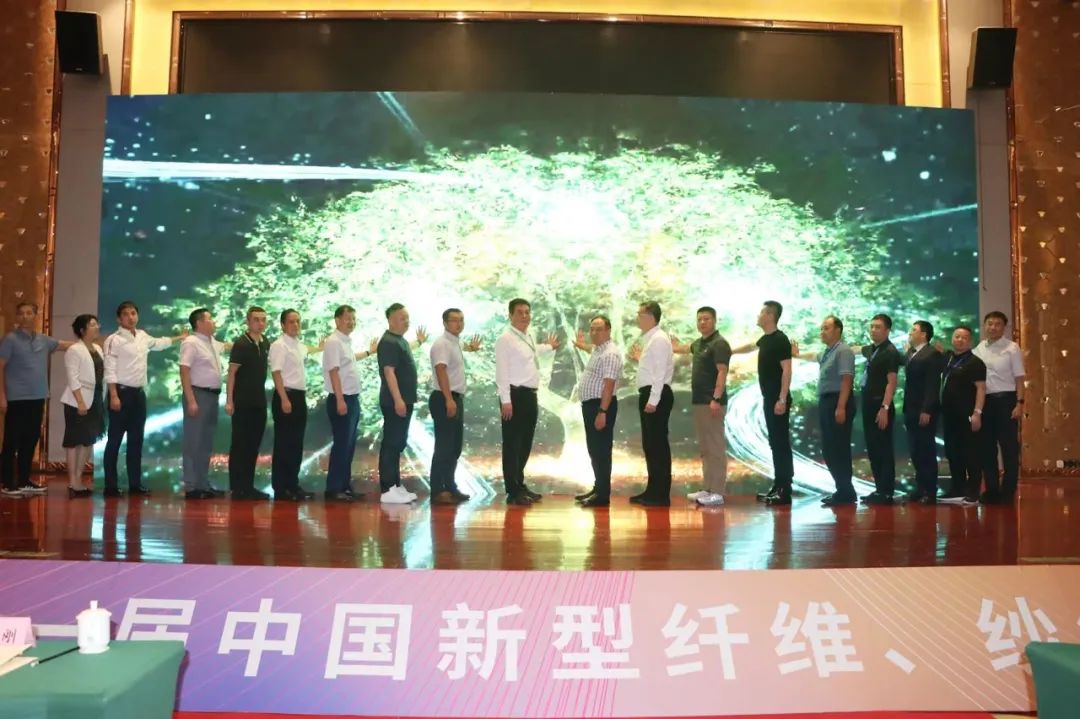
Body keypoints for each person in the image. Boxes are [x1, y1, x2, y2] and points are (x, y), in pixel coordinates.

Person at [102, 300, 185, 497]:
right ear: (119, 319)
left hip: (138, 395)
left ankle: (135, 484)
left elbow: (159, 343)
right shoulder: (114, 340)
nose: (130, 317)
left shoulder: (142, 336)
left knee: (136, 440)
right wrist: (113, 395)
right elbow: (110, 369)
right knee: (114, 440)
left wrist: (180, 338)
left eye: (133, 313)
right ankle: (110, 486)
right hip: (120, 393)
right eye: (125, 314)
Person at [494, 298, 560, 506]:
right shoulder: (505, 339)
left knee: (524, 443)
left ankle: (520, 484)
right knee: (512, 444)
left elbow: (531, 351)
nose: (524, 316)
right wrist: (506, 401)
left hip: (530, 395)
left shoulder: (527, 336)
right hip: (514, 396)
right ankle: (512, 491)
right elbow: (501, 373)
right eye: (520, 312)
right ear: (510, 315)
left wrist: (548, 347)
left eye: (527, 312)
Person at [0, 302, 70, 497]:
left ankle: (24, 481)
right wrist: (2, 396)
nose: (25, 316)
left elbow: (63, 345)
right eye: (21, 313)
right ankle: (7, 483)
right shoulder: (10, 340)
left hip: (38, 397)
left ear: (35, 315)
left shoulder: (43, 339)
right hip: (16, 398)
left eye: (29, 313)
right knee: (11, 441)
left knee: (30, 440)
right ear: (17, 316)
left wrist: (89, 345)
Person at [732, 301, 793, 506]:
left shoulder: (780, 340)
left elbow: (787, 370)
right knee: (775, 443)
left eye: (761, 312)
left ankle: (785, 489)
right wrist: (729, 351)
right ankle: (778, 485)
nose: (757, 315)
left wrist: (782, 399)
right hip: (770, 398)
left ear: (769, 315)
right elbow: (751, 346)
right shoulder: (766, 340)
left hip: (778, 399)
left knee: (781, 443)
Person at [795, 316, 856, 506]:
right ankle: (843, 490)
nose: (822, 332)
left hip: (838, 401)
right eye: (821, 328)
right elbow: (813, 356)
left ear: (838, 330)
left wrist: (841, 406)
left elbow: (847, 379)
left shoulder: (843, 351)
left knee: (838, 448)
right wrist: (797, 355)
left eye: (826, 328)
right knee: (829, 448)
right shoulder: (828, 352)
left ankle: (846, 492)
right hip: (826, 402)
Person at [676, 307, 731, 507]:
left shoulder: (720, 344)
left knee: (715, 447)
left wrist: (716, 397)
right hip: (699, 402)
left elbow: (722, 371)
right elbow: (685, 348)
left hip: (712, 402)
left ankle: (718, 492)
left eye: (706, 319)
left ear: (714, 320)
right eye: (699, 319)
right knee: (705, 448)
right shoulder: (699, 343)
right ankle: (707, 488)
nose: (702, 322)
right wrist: (673, 346)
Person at [321, 304, 377, 502]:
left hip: (352, 398)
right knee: (341, 445)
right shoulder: (333, 342)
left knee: (349, 445)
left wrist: (369, 352)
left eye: (353, 319)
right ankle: (334, 488)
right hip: (342, 398)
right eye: (347, 319)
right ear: (337, 320)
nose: (351, 322)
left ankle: (345, 486)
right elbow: (333, 371)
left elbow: (350, 360)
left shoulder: (345, 342)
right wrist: (339, 399)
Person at [268, 309, 322, 501]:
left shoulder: (298, 345)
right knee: (284, 443)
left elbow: (309, 350)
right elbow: (276, 373)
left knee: (296, 443)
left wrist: (320, 347)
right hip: (286, 395)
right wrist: (284, 398)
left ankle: (292, 484)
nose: (296, 325)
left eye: (298, 321)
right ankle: (281, 488)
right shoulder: (279, 345)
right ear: (283, 325)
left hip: (299, 397)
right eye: (291, 322)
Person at [428, 308, 481, 505]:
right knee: (444, 447)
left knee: (454, 447)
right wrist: (448, 399)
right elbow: (440, 370)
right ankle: (438, 490)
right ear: (445, 323)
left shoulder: (454, 342)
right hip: (445, 398)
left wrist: (471, 348)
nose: (459, 324)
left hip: (454, 398)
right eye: (454, 320)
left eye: (461, 320)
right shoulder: (442, 343)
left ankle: (450, 486)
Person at [377, 303, 427, 505]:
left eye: (407, 318)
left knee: (397, 443)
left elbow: (402, 356)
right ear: (390, 320)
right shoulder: (389, 342)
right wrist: (398, 399)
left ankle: (395, 486)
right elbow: (389, 372)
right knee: (391, 443)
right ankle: (388, 488)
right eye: (401, 318)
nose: (406, 321)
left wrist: (419, 342)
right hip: (394, 402)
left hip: (403, 401)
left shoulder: (399, 340)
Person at [972, 311, 1025, 504]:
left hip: (1006, 401)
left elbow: (1019, 378)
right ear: (985, 325)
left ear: (1004, 327)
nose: (993, 327)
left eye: (997, 324)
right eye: (990, 323)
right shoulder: (979, 349)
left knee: (1009, 447)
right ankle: (991, 489)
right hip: (985, 402)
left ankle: (1008, 491)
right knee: (987, 448)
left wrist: (1020, 403)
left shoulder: (1012, 348)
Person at [572, 315, 623, 508]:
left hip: (600, 406)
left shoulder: (610, 353)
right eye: (592, 329)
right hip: (592, 405)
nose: (594, 333)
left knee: (601, 450)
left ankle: (602, 495)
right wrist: (582, 345)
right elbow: (591, 348)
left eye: (599, 329)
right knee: (594, 449)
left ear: (608, 331)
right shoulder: (599, 349)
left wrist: (602, 411)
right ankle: (598, 488)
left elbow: (609, 386)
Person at [179, 307, 228, 500]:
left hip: (213, 396)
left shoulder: (212, 342)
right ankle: (191, 486)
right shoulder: (191, 342)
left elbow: (229, 346)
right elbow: (184, 371)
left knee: (206, 442)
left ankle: (203, 483)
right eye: (210, 319)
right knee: (194, 441)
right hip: (198, 394)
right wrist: (191, 399)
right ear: (199, 323)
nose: (214, 322)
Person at [630, 301, 675, 507]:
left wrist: (653, 399)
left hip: (655, 394)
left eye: (640, 315)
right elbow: (652, 368)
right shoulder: (651, 339)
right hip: (650, 393)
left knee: (657, 446)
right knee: (650, 445)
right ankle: (652, 490)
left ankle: (660, 494)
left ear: (650, 317)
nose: (637, 318)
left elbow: (659, 373)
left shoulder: (658, 339)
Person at [225, 307, 271, 500]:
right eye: (256, 320)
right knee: (240, 444)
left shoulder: (265, 342)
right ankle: (237, 488)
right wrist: (229, 400)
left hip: (259, 400)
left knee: (253, 445)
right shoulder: (241, 344)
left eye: (263, 320)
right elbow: (232, 373)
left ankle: (248, 486)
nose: (260, 323)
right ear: (248, 322)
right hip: (242, 401)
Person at [939, 326, 987, 506]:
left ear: (970, 341)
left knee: (971, 453)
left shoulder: (975, 363)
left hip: (967, 414)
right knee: (953, 452)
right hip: (949, 415)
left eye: (964, 338)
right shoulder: (949, 358)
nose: (959, 340)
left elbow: (981, 389)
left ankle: (973, 492)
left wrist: (977, 413)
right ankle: (957, 488)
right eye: (957, 337)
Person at [900, 320, 944, 504]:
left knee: (926, 450)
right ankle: (920, 487)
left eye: (914, 330)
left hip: (924, 409)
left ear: (924, 334)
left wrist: (927, 409)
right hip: (910, 408)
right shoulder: (911, 353)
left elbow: (932, 384)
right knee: (915, 450)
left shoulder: (932, 354)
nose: (910, 333)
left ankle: (930, 491)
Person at [61, 314, 104, 499]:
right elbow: (73, 378)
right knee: (74, 441)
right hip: (77, 400)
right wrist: (80, 402)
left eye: (96, 324)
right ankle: (73, 481)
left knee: (88, 440)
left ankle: (79, 478)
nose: (97, 327)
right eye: (92, 325)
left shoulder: (97, 348)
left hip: (95, 398)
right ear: (82, 330)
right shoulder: (74, 350)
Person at [859, 314, 901, 505]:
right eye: (872, 326)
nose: (873, 330)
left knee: (883, 448)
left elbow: (892, 382)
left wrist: (885, 407)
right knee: (873, 448)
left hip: (880, 405)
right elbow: (857, 349)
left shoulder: (890, 352)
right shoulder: (872, 349)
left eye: (878, 327)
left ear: (887, 330)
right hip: (868, 403)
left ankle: (886, 492)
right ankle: (879, 489)